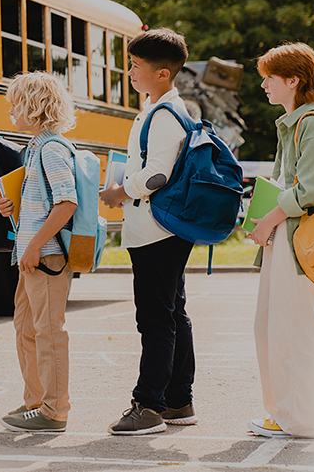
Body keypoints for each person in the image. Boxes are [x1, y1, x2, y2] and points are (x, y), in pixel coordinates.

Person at [99, 28, 197, 435]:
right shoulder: (161, 109)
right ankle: (178, 399)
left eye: (136, 66)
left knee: (155, 319)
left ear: (162, 74)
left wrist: (120, 192)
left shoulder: (163, 115)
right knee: (173, 313)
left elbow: (157, 173)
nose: (130, 72)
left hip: (156, 229)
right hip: (164, 228)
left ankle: (149, 405)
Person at [243, 43, 314, 439]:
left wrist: (269, 218)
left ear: (293, 80)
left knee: (290, 328)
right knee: (271, 326)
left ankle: (298, 419)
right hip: (285, 237)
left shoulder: (310, 124)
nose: (263, 83)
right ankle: (284, 413)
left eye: (270, 76)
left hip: (296, 241)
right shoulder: (295, 123)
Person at [0, 71, 80, 432]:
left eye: (17, 104)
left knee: (47, 332)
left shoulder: (52, 148)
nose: (11, 110)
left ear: (35, 106)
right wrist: (14, 206)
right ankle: (36, 401)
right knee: (27, 329)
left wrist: (32, 245)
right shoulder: (36, 148)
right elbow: (46, 202)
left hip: (44, 256)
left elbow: (66, 202)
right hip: (32, 255)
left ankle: (54, 410)